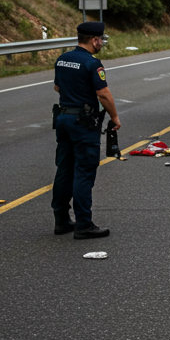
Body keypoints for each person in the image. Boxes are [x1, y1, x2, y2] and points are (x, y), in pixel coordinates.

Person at [51, 21, 120, 239]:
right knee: (84, 172)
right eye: (101, 40)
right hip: (83, 123)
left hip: (63, 118)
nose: (102, 44)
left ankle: (61, 220)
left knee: (64, 169)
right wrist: (114, 117)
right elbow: (103, 94)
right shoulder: (92, 63)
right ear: (94, 40)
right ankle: (83, 224)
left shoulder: (62, 59)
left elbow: (57, 87)